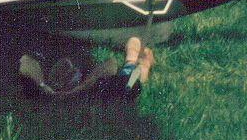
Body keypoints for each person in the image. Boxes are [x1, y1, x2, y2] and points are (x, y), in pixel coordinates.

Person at [18, 36, 153, 98]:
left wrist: (42, 85)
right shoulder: (92, 89)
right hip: (83, 90)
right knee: (129, 84)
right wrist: (82, 88)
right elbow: (111, 64)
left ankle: (135, 64)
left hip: (65, 89)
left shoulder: (40, 88)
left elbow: (26, 62)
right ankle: (136, 64)